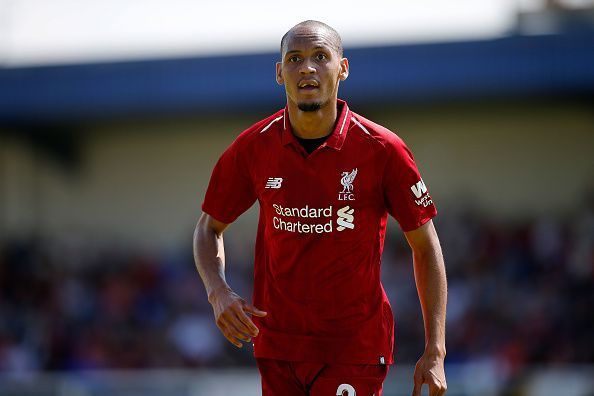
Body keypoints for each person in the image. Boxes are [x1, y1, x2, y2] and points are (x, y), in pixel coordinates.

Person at [194, 20, 447, 396]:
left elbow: (425, 247)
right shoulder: (253, 148)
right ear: (280, 73)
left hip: (353, 349)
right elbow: (207, 227)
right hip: (278, 348)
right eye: (294, 59)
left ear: (342, 68)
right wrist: (218, 291)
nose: (307, 68)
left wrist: (435, 351)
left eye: (320, 56)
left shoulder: (383, 150)